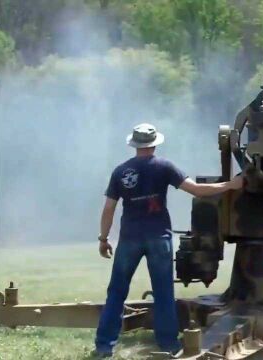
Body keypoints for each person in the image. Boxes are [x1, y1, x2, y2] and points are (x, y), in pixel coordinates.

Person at [94, 123, 242, 357]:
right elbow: (196, 190)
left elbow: (109, 208)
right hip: (158, 238)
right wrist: (230, 185)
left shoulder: (121, 171)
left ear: (134, 144)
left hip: (129, 239)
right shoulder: (164, 166)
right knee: (163, 293)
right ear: (154, 144)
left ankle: (104, 347)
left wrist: (103, 238)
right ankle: (169, 345)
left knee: (117, 292)